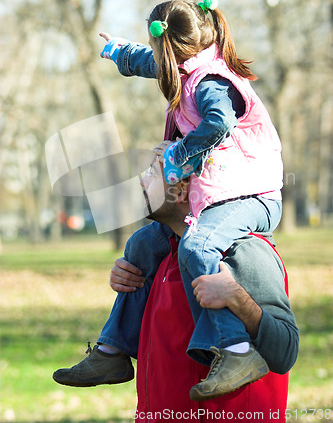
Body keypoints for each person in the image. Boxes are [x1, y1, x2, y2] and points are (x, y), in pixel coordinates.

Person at [98, 0, 283, 399]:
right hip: (221, 191)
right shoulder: (185, 67)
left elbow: (220, 121)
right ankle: (112, 349)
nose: (153, 62)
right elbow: (148, 63)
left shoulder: (212, 83)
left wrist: (180, 156)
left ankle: (235, 350)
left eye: (155, 51)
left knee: (196, 245)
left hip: (252, 194)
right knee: (142, 243)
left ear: (171, 48)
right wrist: (116, 51)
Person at [54, 154, 298, 420]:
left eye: (151, 173)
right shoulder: (160, 254)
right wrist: (127, 281)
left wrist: (237, 299)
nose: (141, 181)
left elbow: (285, 352)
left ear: (181, 189)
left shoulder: (245, 251)